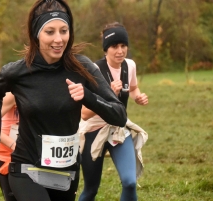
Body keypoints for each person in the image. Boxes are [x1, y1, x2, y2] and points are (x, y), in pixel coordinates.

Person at [0, 1, 127, 201]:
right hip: (26, 167)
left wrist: (88, 97)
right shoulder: (17, 71)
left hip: (66, 170)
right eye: (50, 32)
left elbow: (119, 115)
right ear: (36, 34)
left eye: (64, 30)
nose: (59, 39)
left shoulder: (82, 68)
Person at [78, 22, 149, 201]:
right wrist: (108, 94)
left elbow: (133, 88)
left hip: (118, 128)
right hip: (93, 132)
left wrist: (138, 97)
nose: (120, 51)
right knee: (91, 189)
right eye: (114, 46)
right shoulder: (93, 70)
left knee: (130, 182)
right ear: (105, 49)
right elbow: (84, 114)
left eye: (123, 45)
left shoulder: (129, 66)